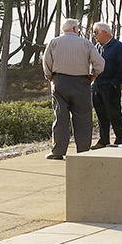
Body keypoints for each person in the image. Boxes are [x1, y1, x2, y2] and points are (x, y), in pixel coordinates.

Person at [42, 19, 104, 160]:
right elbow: (100, 63)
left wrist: (50, 77)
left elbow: (46, 62)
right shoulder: (86, 43)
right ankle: (83, 150)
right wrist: (93, 75)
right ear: (75, 29)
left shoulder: (54, 42)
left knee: (60, 118)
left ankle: (58, 151)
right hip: (81, 82)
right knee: (83, 117)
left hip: (60, 82)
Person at [91, 22, 122, 148]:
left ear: (105, 32)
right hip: (97, 86)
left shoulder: (118, 47)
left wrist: (114, 83)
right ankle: (103, 140)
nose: (94, 35)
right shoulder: (96, 47)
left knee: (114, 114)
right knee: (101, 115)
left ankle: (120, 140)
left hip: (110, 86)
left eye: (96, 32)